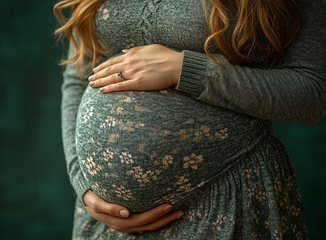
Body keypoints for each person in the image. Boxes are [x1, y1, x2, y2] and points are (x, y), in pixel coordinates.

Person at [54, 0, 326, 239]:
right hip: (107, 221)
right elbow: (79, 76)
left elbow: (311, 92)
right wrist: (85, 188)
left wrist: (186, 69)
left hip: (225, 200)